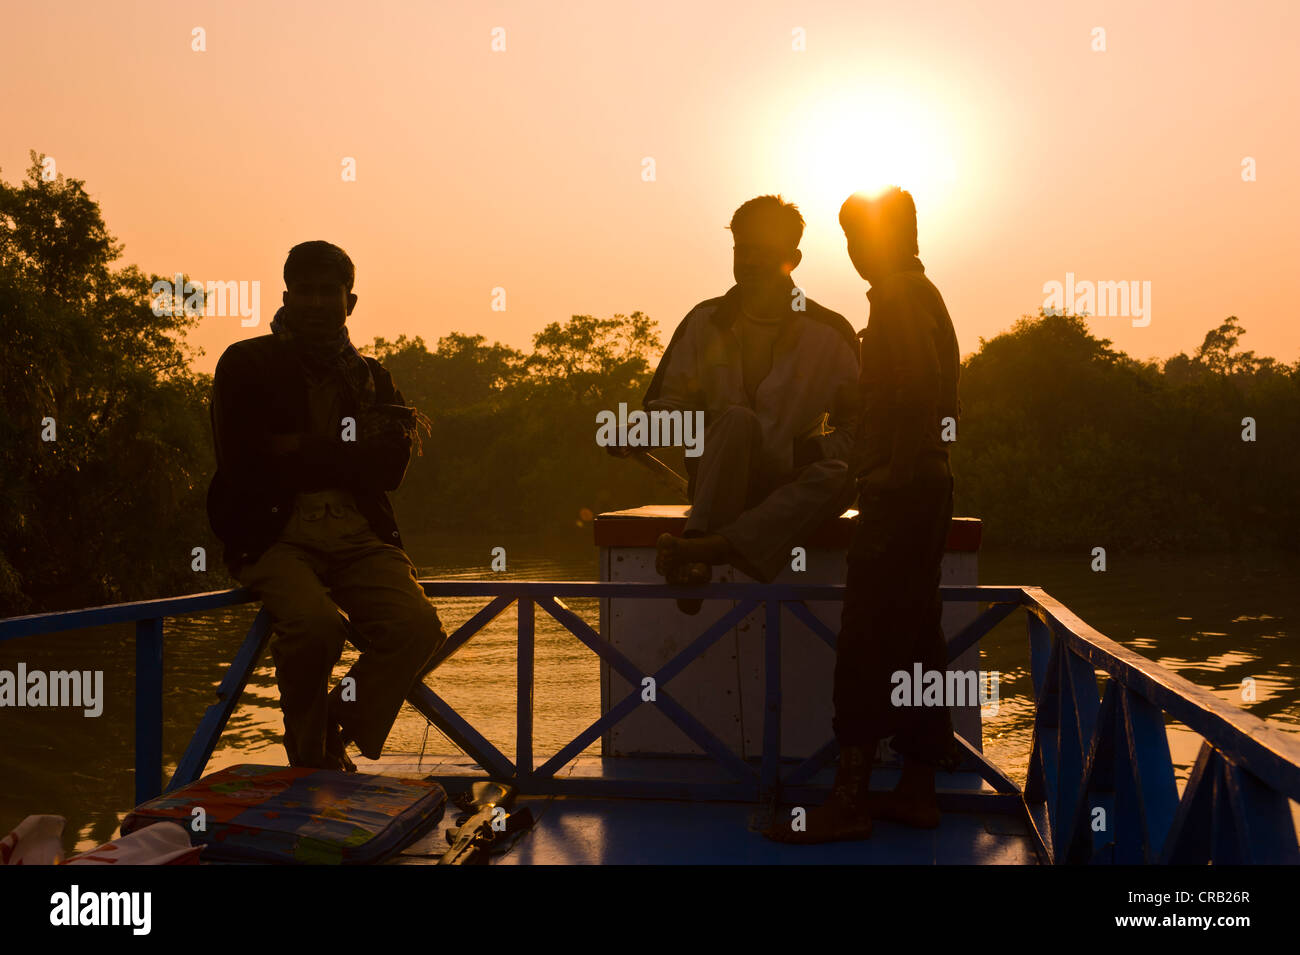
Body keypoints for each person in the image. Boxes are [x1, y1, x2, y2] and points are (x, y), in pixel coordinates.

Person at [767, 186, 962, 843]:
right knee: (918, 640)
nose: (854, 254)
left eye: (860, 239)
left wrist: (882, 472)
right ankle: (917, 789)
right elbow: (926, 394)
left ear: (892, 239)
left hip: (901, 492)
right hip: (931, 487)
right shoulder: (923, 294)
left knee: (863, 641)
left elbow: (917, 388)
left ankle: (848, 798)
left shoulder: (899, 298)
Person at [206, 240, 446, 772]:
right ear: (287, 297)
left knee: (418, 627)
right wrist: (347, 448)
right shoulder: (246, 364)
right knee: (315, 626)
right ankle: (314, 759)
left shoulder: (371, 375)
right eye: (305, 292)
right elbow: (245, 463)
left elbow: (391, 471)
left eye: (328, 293)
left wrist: (298, 445)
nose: (316, 303)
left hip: (359, 533)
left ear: (350, 302)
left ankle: (333, 726)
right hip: (272, 533)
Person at [637, 195, 860, 611]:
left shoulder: (831, 333)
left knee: (836, 473)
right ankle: (707, 545)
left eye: (764, 252)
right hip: (720, 482)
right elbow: (668, 407)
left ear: (793, 259)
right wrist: (640, 429)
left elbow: (859, 429)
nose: (751, 262)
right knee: (736, 420)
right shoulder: (704, 321)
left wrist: (810, 451)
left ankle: (701, 550)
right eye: (743, 250)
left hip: (792, 489)